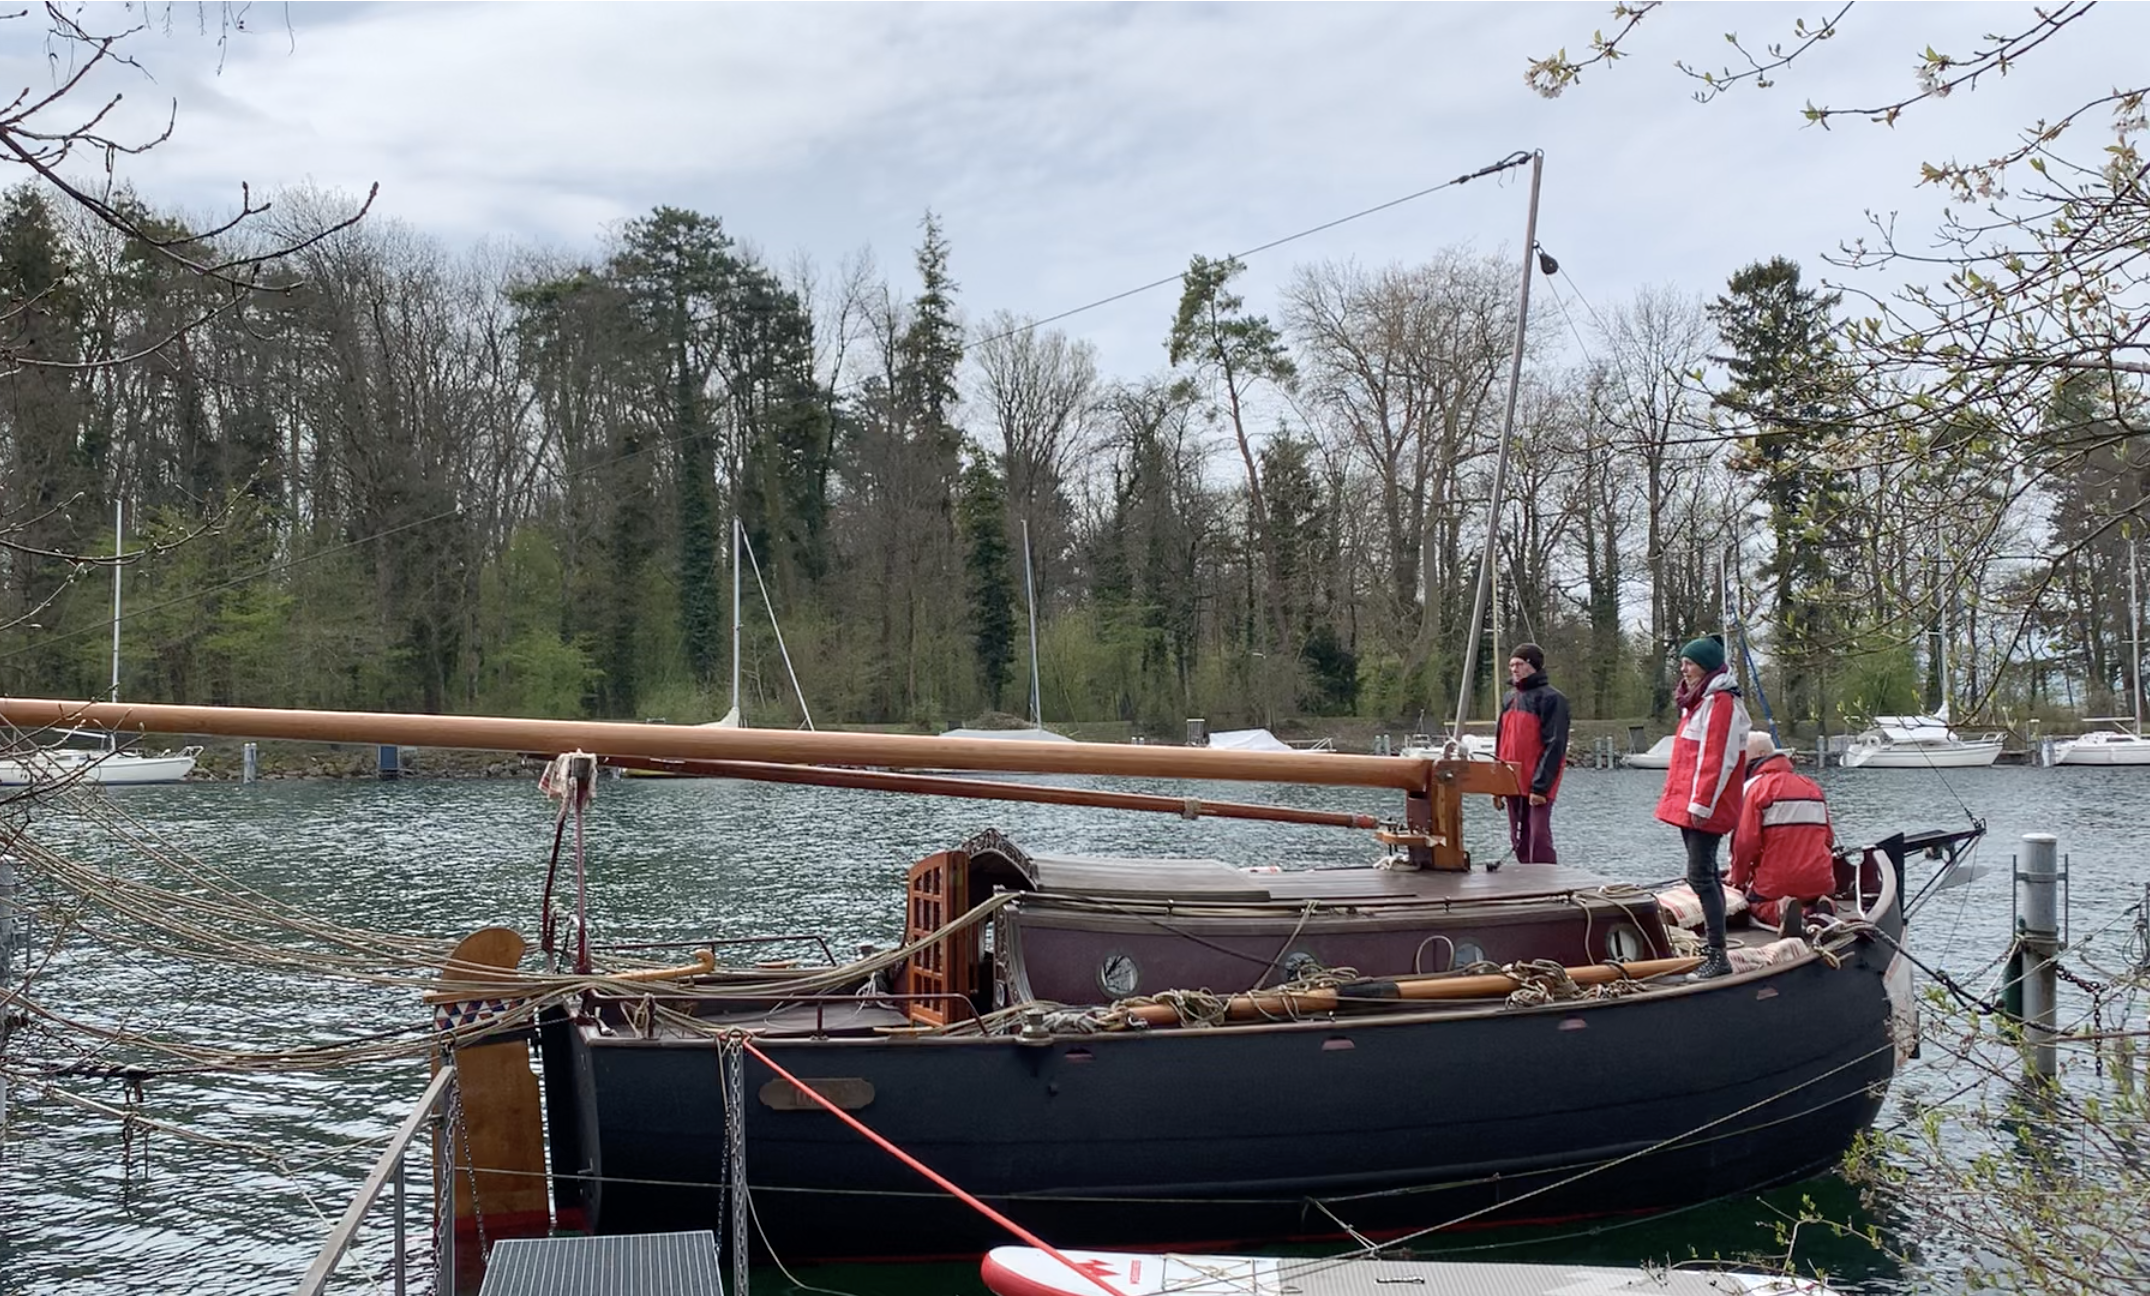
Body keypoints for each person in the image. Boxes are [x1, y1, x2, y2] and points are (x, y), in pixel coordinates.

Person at [1653, 635, 1750, 980]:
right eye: (1682, 662)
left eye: (1689, 663)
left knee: (1700, 876)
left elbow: (1718, 758)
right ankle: (1715, 950)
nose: (1684, 669)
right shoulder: (1699, 701)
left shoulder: (1719, 702)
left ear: (1705, 667)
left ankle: (1717, 954)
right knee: (1705, 874)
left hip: (1704, 805)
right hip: (1693, 802)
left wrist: (1701, 803)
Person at [1730, 729, 1836, 938]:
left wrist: (1737, 878)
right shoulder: (1812, 787)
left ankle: (1781, 909)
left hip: (1777, 881)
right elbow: (1828, 839)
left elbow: (1745, 843)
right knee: (1810, 894)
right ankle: (1821, 907)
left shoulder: (1755, 789)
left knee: (1753, 904)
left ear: (1760, 755)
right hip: (1819, 879)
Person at [1494, 642, 1570, 863]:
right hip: (1511, 779)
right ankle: (1525, 876)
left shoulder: (1552, 699)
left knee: (1538, 836)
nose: (1514, 669)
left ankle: (1545, 875)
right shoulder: (1509, 698)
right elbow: (1501, 740)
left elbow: (1555, 744)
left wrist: (1540, 787)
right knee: (1517, 838)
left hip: (1538, 780)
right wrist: (1496, 786)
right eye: (1511, 665)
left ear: (1533, 665)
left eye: (1519, 664)